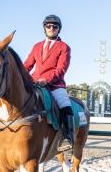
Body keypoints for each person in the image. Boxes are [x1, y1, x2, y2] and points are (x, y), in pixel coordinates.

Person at [24, 14, 74, 152]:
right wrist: (21, 76)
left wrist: (47, 80)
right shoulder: (36, 46)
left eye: (55, 26)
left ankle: (68, 137)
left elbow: (61, 69)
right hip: (34, 83)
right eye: (48, 26)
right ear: (44, 28)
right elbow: (27, 65)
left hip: (54, 84)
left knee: (65, 103)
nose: (51, 28)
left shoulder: (64, 47)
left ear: (59, 29)